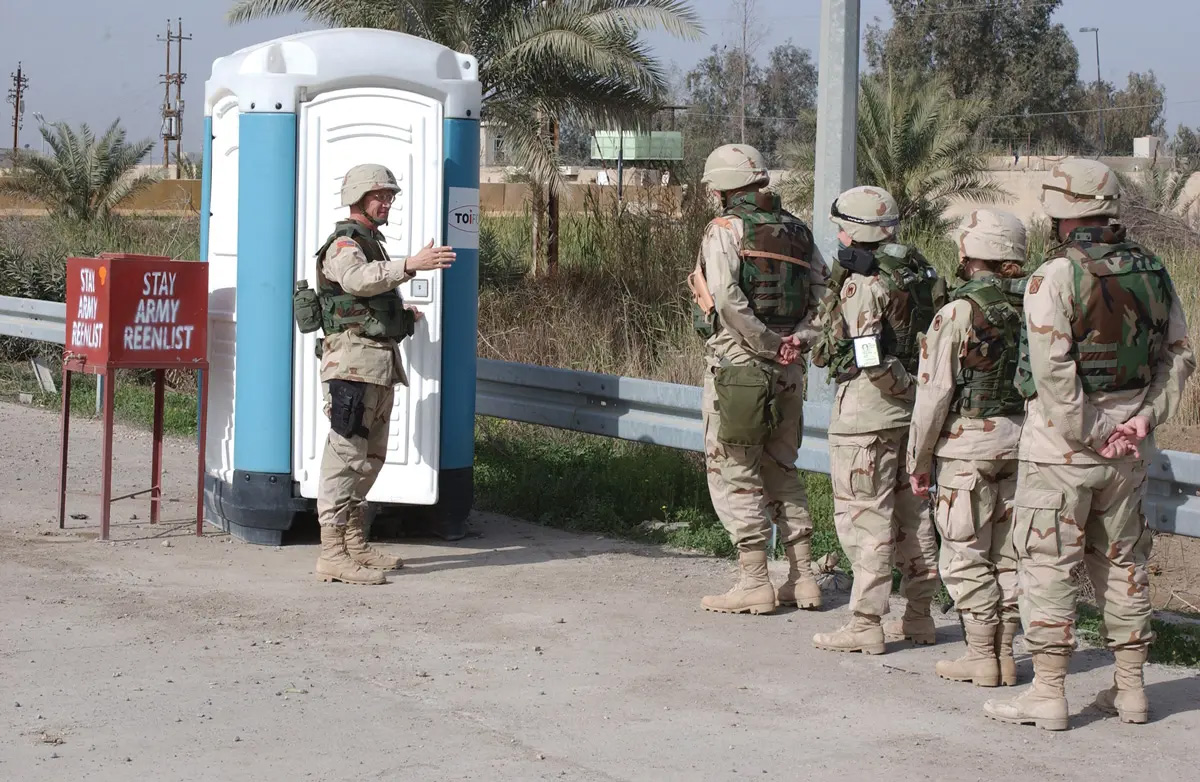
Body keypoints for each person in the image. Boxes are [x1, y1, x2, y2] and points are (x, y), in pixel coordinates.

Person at [983, 158, 1195, 730]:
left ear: (1060, 213)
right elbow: (1180, 354)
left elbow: (1053, 374)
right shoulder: (1152, 270)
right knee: (1124, 563)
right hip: (1128, 454)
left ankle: (1049, 695)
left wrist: (1096, 431)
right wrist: (1145, 420)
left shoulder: (1054, 276)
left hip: (1063, 452)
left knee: (1048, 565)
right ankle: (1131, 692)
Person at [687, 143, 830, 615]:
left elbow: (727, 300)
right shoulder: (800, 231)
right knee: (781, 469)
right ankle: (803, 578)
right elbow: (824, 295)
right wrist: (798, 342)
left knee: (735, 470)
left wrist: (768, 343)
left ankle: (753, 580)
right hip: (789, 371)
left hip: (738, 370)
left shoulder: (723, 230)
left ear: (725, 188)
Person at [809, 186, 945, 654]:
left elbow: (868, 353)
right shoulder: (920, 270)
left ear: (854, 229)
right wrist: (920, 393)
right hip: (914, 417)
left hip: (868, 415)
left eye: (842, 226)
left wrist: (901, 385)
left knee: (865, 520)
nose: (839, 235)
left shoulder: (863, 282)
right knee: (915, 518)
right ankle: (920, 616)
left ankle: (866, 623)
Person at [306, 163, 456, 585]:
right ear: (357, 198)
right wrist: (411, 264)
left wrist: (399, 311)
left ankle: (353, 542)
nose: (387, 202)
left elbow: (365, 296)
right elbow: (356, 279)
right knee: (345, 455)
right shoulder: (344, 244)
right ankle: (332, 552)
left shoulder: (372, 242)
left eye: (390, 195)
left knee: (370, 458)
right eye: (379, 195)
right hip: (351, 366)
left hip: (375, 364)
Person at [907, 209, 1029, 687]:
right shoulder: (1038, 304)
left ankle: (980, 655)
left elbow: (934, 395)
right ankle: (1004, 655)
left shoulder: (958, 312)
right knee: (1010, 555)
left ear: (970, 252)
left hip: (968, 448)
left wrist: (918, 462)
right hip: (1024, 443)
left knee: (964, 552)